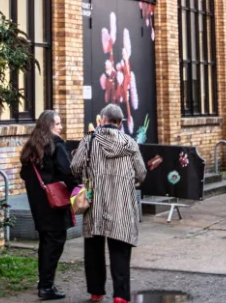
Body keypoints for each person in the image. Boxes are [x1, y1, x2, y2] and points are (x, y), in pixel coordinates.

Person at [71, 103, 146, 303]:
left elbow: (75, 167)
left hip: (95, 203)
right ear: (120, 123)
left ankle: (96, 291)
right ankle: (121, 296)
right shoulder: (130, 143)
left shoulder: (88, 141)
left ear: (102, 120)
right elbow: (142, 172)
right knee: (120, 249)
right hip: (121, 204)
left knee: (94, 249)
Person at [21, 110, 77, 300]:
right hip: (54, 204)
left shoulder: (31, 147)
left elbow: (24, 175)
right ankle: (46, 286)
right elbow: (67, 172)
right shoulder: (55, 145)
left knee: (46, 242)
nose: (61, 127)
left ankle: (44, 282)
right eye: (58, 123)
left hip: (38, 204)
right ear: (49, 126)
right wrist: (76, 191)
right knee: (55, 243)